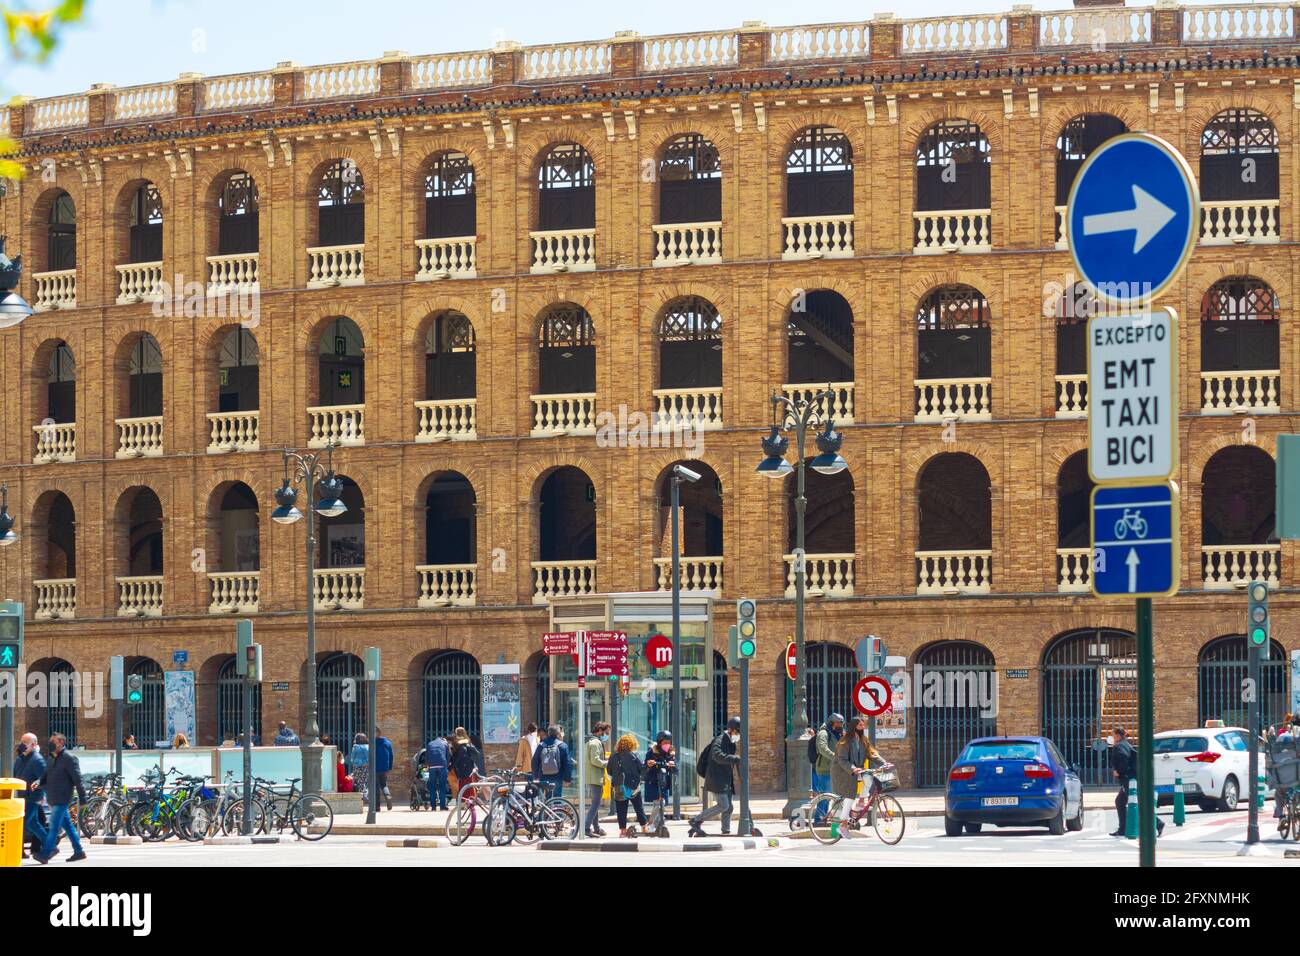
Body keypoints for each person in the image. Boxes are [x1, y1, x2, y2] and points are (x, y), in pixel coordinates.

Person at [32, 733, 86, 864]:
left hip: (63, 797)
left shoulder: (69, 758)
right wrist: (38, 782)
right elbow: (45, 776)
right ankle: (79, 851)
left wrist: (83, 799)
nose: (50, 744)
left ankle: (47, 852)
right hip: (53, 797)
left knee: (54, 827)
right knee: (68, 826)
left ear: (61, 743)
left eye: (53, 741)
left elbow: (78, 780)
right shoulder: (51, 758)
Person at [689, 715, 742, 837]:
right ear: (731, 729)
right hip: (717, 779)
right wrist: (734, 758)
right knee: (723, 805)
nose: (738, 735)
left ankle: (726, 829)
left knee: (729, 807)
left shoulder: (730, 741)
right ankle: (696, 820)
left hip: (725, 779)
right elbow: (717, 755)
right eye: (737, 732)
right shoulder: (720, 739)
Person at [1110, 725, 1163, 838]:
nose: (1112, 737)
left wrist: (1118, 771)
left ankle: (1158, 824)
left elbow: (1123, 758)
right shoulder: (1125, 744)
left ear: (1118, 735)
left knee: (1138, 804)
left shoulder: (1119, 746)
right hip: (1131, 779)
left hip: (1128, 779)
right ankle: (1122, 829)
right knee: (1120, 802)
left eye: (1113, 735)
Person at [608, 733, 648, 837]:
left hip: (619, 786)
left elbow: (609, 771)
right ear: (632, 744)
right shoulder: (634, 756)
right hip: (633, 786)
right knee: (638, 807)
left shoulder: (613, 756)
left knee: (621, 809)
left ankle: (622, 831)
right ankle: (644, 827)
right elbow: (642, 768)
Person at [15, 732, 47, 858]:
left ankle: (48, 845)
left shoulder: (37, 760)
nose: (21, 745)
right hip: (21, 798)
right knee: (29, 823)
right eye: (21, 742)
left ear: (33, 745)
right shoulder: (19, 760)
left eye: (25, 743)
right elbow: (15, 777)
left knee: (28, 823)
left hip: (33, 798)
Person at [811, 713, 844, 823]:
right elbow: (822, 748)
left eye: (842, 723)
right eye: (839, 723)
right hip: (825, 769)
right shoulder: (823, 733)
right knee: (825, 797)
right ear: (832, 723)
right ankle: (818, 820)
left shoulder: (838, 734)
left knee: (833, 797)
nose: (841, 725)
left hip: (836, 769)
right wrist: (835, 757)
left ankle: (825, 818)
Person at [583, 722, 610, 837]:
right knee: (595, 803)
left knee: (596, 803)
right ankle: (586, 827)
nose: (607, 735)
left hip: (593, 776)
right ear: (600, 730)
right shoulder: (595, 743)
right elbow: (595, 760)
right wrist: (607, 763)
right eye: (606, 732)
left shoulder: (590, 741)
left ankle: (596, 828)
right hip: (594, 777)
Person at [531, 724, 572, 799]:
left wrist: (535, 776)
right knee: (557, 798)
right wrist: (567, 779)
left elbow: (534, 761)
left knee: (546, 799)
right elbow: (567, 763)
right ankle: (556, 810)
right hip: (558, 776)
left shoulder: (541, 745)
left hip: (543, 777)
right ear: (558, 733)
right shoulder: (563, 746)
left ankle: (547, 810)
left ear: (548, 733)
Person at [643, 730, 676, 808]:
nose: (667, 745)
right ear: (659, 742)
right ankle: (657, 818)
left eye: (669, 742)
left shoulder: (671, 752)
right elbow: (644, 767)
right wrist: (649, 764)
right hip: (654, 781)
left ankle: (659, 818)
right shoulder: (651, 752)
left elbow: (675, 768)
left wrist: (673, 765)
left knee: (663, 804)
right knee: (657, 805)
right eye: (665, 743)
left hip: (664, 782)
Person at [450, 729, 481, 798]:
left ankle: (465, 802)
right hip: (469, 767)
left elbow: (458, 757)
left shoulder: (460, 743)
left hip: (463, 768)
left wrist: (451, 766)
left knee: (464, 786)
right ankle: (469, 802)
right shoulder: (468, 741)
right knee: (469, 786)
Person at [424, 732, 451, 811]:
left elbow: (427, 756)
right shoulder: (445, 743)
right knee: (442, 786)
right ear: (442, 739)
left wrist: (428, 765)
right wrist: (447, 765)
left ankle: (433, 807)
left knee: (432, 786)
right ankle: (442, 806)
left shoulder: (430, 744)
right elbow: (448, 755)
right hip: (442, 765)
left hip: (432, 766)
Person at [375, 729, 395, 811]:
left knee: (376, 787)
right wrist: (389, 767)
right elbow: (391, 756)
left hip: (375, 768)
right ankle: (388, 796)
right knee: (384, 785)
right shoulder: (387, 743)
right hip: (384, 768)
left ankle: (377, 806)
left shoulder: (373, 743)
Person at [350, 732, 370, 802]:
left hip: (357, 766)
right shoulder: (368, 747)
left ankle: (364, 796)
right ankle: (366, 795)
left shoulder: (355, 747)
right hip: (366, 766)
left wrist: (353, 762)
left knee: (359, 782)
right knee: (365, 781)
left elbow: (352, 758)